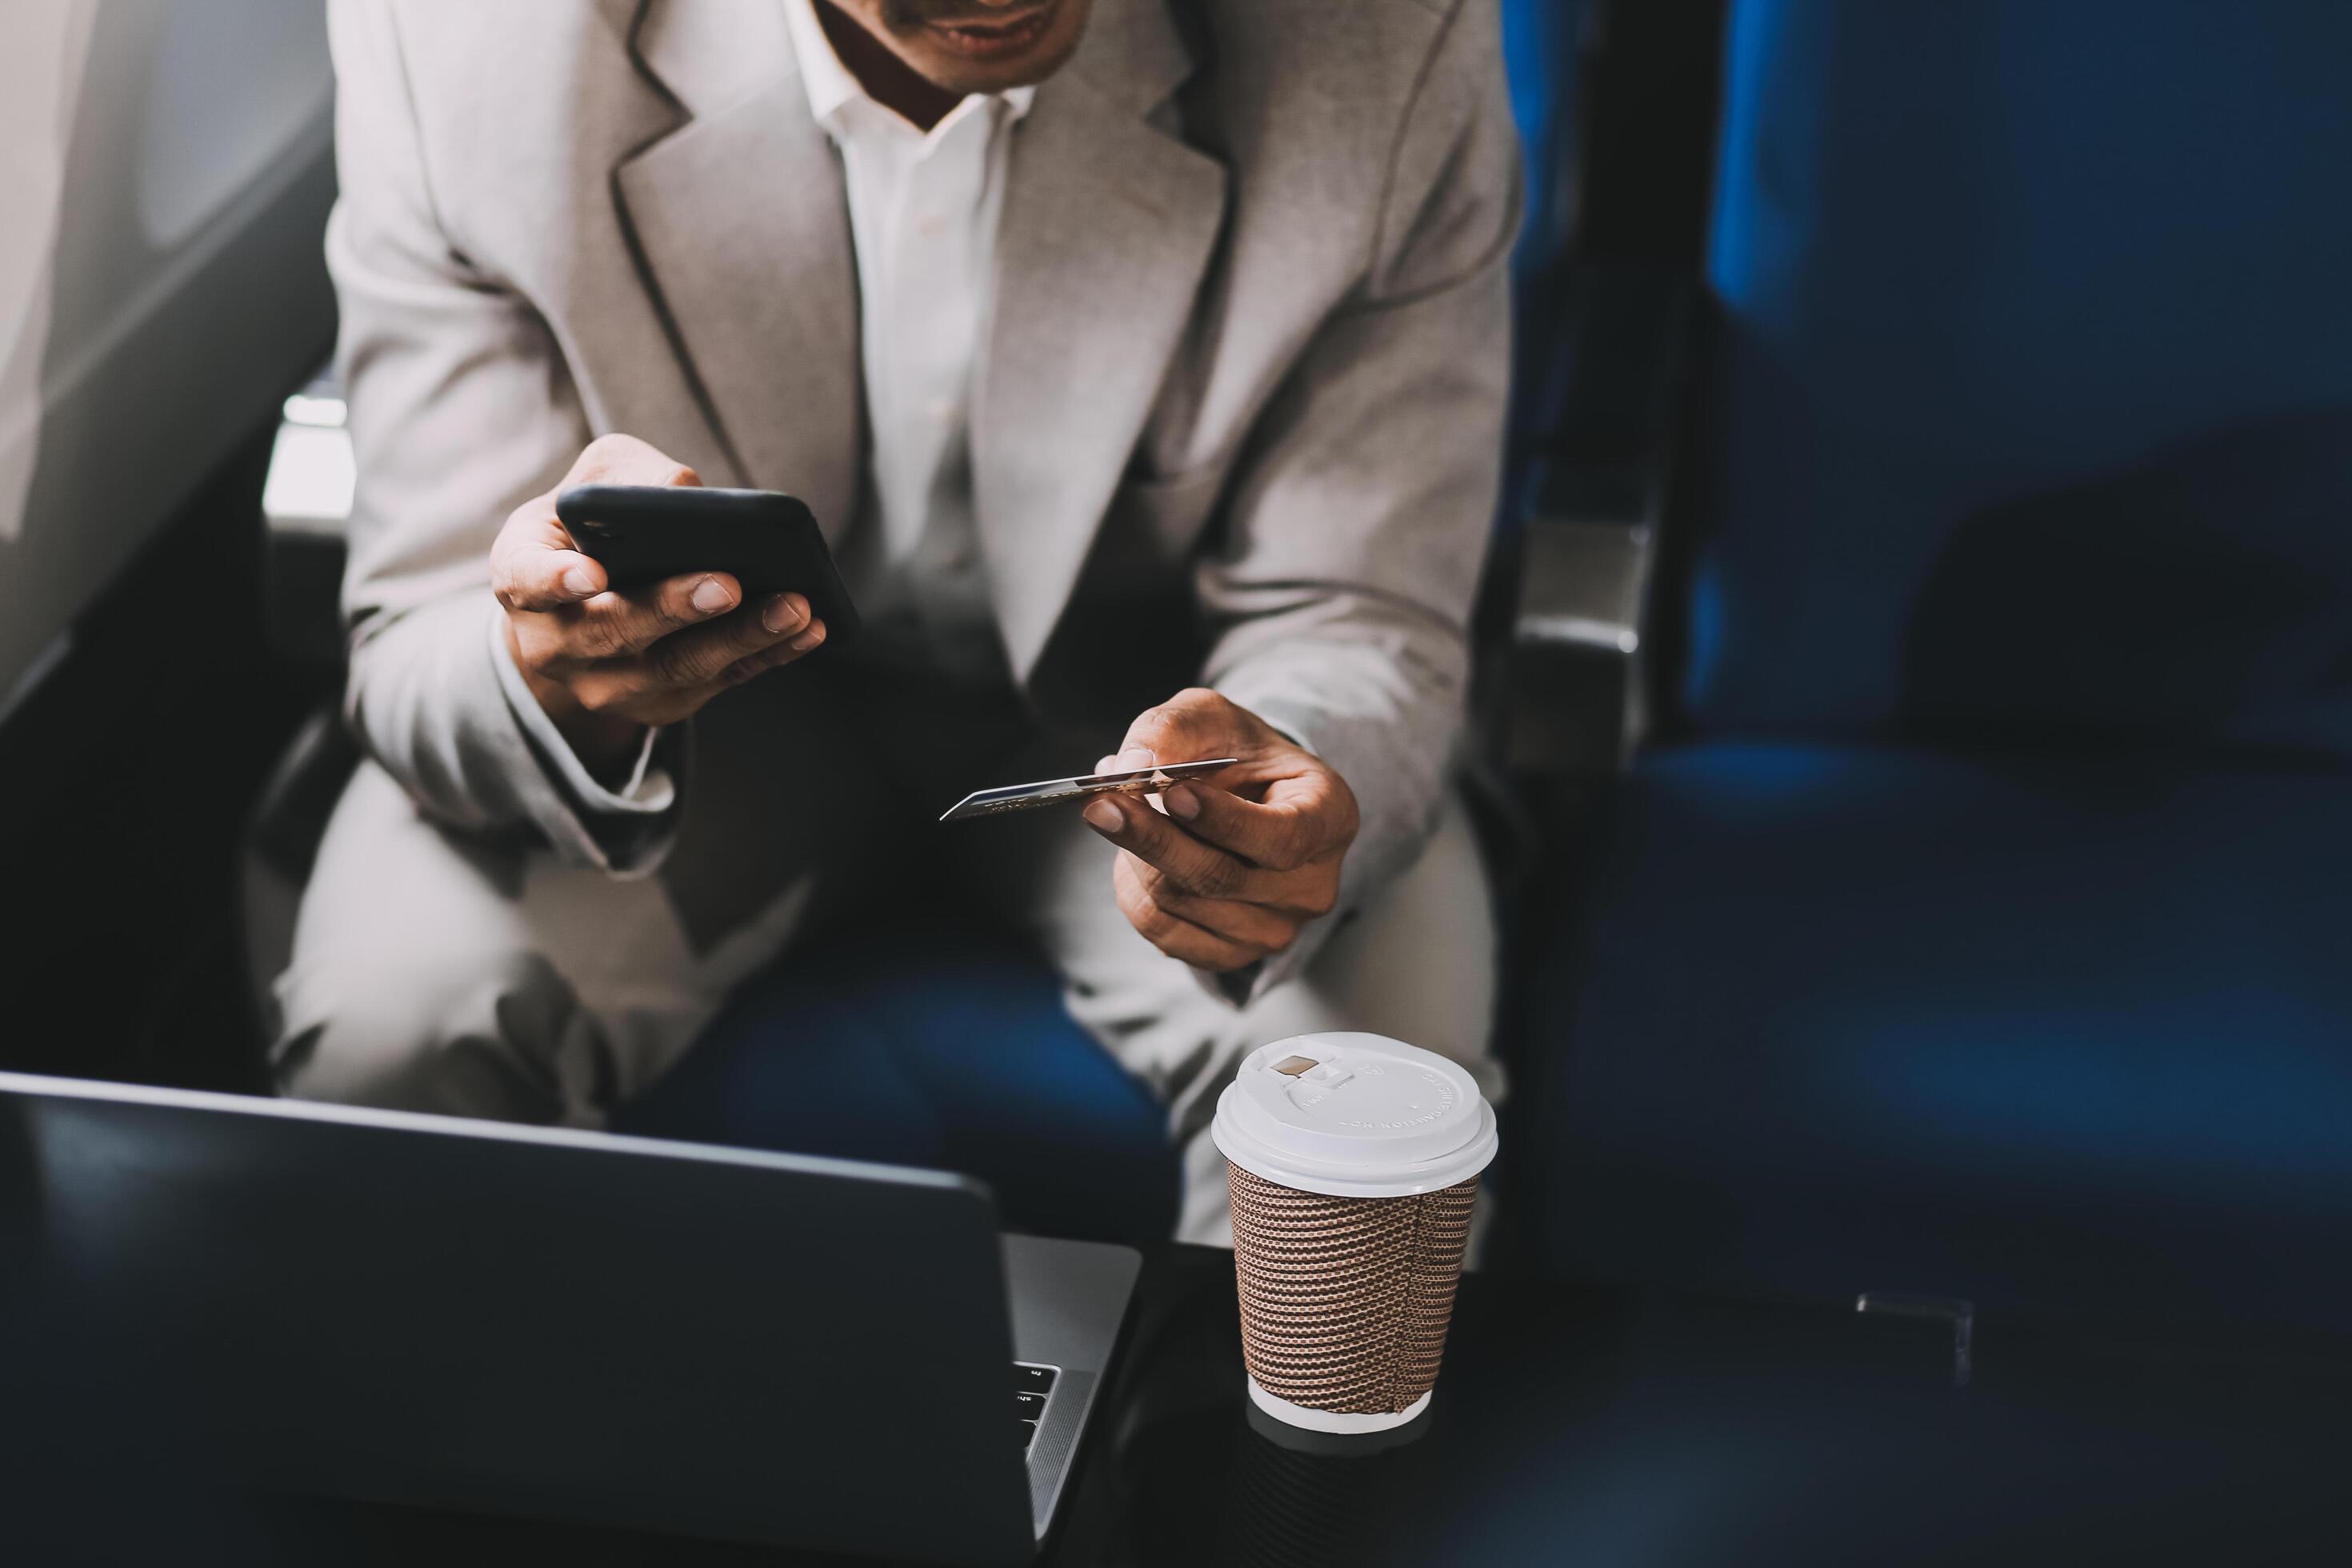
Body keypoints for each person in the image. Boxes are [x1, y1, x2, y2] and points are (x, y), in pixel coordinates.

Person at [278, 0, 1518, 1245]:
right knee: (395, 1039)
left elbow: (1356, 609)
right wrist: (546, 675)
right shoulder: (461, 39)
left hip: (1156, 718)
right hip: (705, 741)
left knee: (1367, 1160)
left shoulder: (1380, 44)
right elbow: (422, 630)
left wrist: (1278, 800)